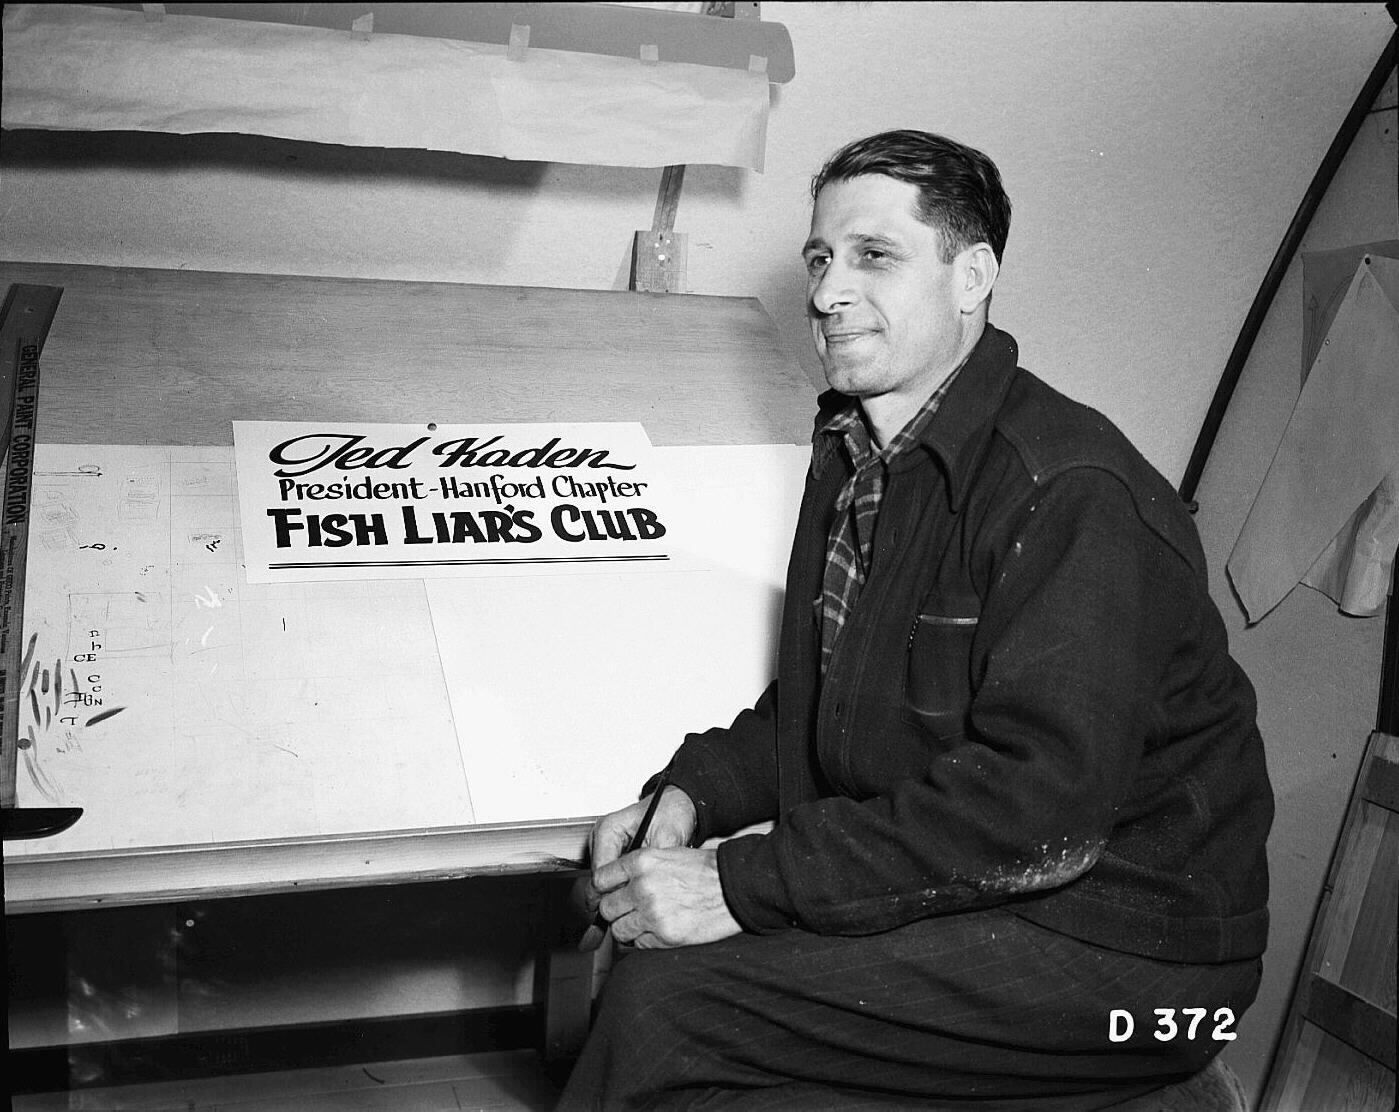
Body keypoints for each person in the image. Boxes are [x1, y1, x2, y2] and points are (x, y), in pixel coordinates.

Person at [559, 130, 1273, 1110]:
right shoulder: (855, 458)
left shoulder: (1068, 490)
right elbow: (824, 709)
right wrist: (691, 794)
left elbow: (1039, 814)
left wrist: (736, 882)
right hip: (1006, 899)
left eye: (873, 256)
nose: (824, 292)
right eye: (819, 258)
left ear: (972, 275)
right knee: (624, 938)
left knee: (666, 1002)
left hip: (1139, 958)